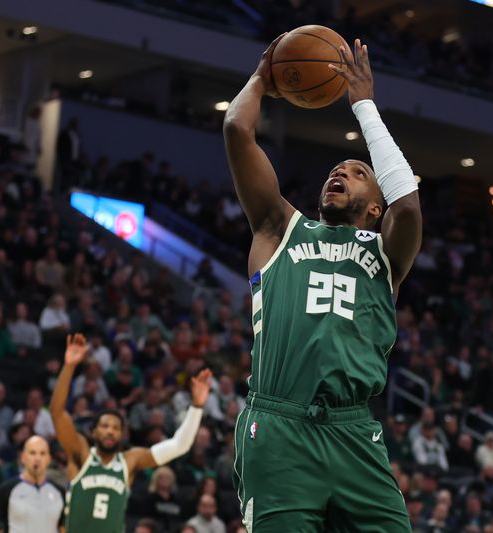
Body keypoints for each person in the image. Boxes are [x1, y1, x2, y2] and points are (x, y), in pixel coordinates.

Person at [223, 35, 421, 531]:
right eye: (337, 169)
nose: (341, 172)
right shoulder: (278, 228)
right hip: (280, 426)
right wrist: (262, 79)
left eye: (358, 173)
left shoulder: (386, 254)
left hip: (354, 432)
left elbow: (409, 204)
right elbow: (236, 130)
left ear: (376, 208)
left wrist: (365, 107)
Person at [50, 334, 212, 533]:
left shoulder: (129, 461)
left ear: (122, 435)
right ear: (93, 432)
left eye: (116, 428)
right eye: (105, 426)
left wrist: (196, 407)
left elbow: (180, 446)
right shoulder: (81, 453)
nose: (110, 431)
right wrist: (69, 366)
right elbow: (57, 413)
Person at [0, 436, 64, 533]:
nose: (37, 458)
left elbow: (64, 529)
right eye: (32, 453)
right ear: (23, 457)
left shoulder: (59, 492)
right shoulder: (6, 490)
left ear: (49, 459)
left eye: (42, 453)